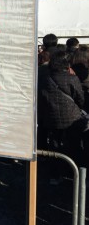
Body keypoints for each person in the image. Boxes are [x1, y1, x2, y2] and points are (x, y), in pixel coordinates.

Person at [38, 50, 87, 183]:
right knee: (75, 146)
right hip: (72, 118)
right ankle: (76, 175)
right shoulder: (72, 78)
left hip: (52, 118)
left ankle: (55, 175)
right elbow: (80, 98)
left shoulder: (44, 79)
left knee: (54, 147)